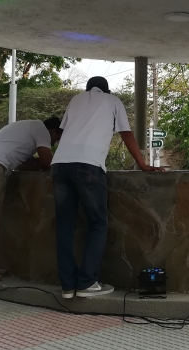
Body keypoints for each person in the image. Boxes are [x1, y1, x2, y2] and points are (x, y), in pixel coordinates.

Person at [52, 76, 164, 298]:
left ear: (87, 89)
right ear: (107, 90)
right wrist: (142, 164)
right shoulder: (113, 101)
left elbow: (64, 131)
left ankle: (67, 286)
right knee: (97, 223)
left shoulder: (76, 99)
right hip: (88, 166)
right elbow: (126, 133)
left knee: (64, 226)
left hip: (59, 166)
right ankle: (86, 283)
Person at [0, 117, 62, 283]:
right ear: (53, 132)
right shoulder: (41, 129)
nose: (52, 143)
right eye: (55, 139)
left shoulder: (26, 127)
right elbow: (47, 161)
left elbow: (23, 165)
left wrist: (37, 162)